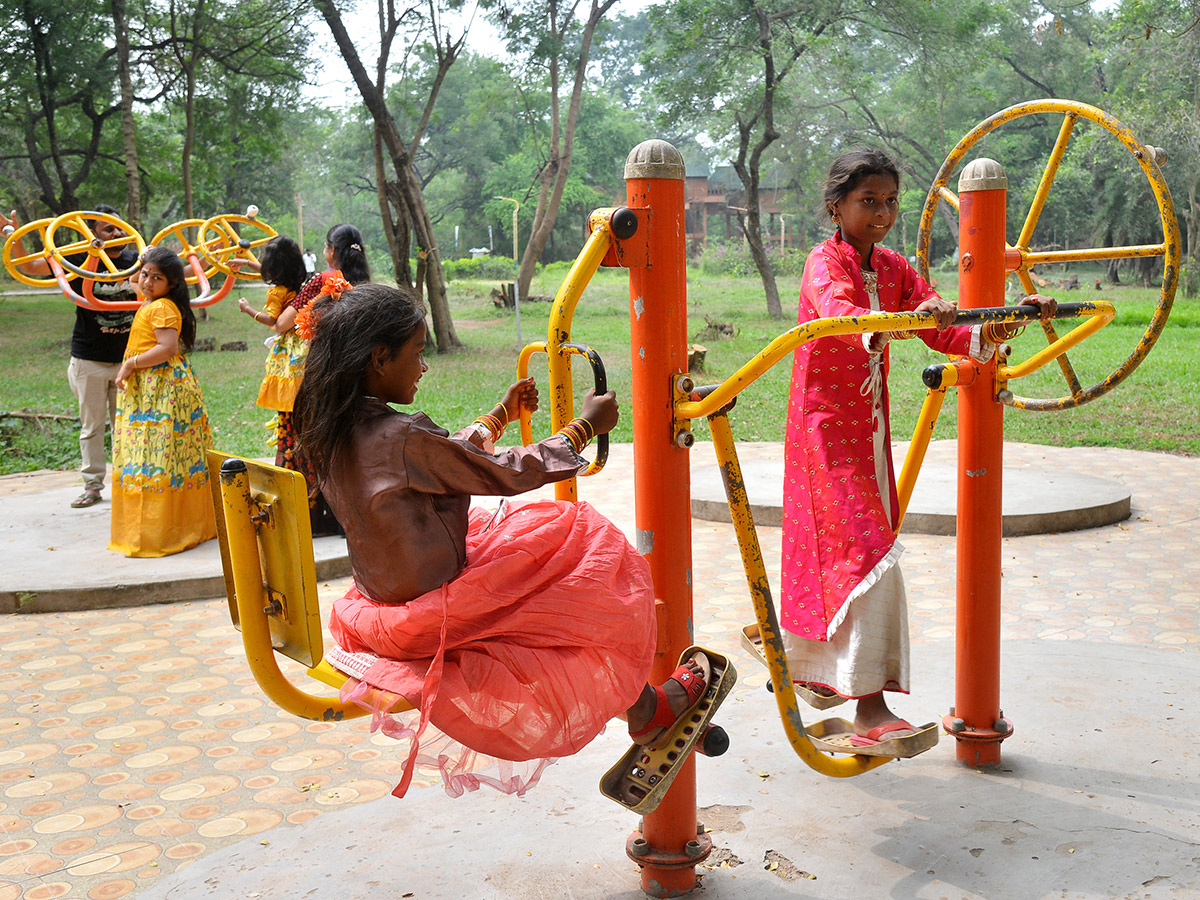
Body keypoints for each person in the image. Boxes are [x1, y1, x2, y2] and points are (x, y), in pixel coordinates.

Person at [292, 283, 709, 798]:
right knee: (587, 554)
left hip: (382, 609)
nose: (423, 368)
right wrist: (585, 426)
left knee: (552, 574)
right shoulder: (399, 437)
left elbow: (441, 461)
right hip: (436, 611)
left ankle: (645, 709)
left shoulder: (329, 425)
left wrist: (499, 416)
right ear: (379, 359)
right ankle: (648, 710)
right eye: (418, 353)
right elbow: (500, 474)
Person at [779, 148, 1056, 750]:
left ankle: (823, 674)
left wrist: (1013, 317)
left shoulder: (893, 266)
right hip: (825, 430)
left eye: (888, 202)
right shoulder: (824, 262)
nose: (881, 213)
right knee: (868, 553)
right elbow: (843, 317)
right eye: (867, 201)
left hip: (869, 429)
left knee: (854, 552)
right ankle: (869, 711)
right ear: (836, 206)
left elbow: (949, 330)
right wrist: (909, 317)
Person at [1, 205, 138, 509]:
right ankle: (92, 486)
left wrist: (211, 256)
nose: (116, 234)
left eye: (118, 228)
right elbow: (31, 266)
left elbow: (177, 273)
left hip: (127, 361)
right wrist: (12, 236)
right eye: (107, 230)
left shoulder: (135, 259)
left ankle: (126, 482)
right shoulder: (78, 259)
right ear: (91, 235)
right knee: (92, 427)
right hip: (89, 358)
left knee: (125, 427)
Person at [108, 246, 217, 557]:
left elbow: (166, 349)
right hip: (151, 389)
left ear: (172, 284)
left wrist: (130, 364)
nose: (146, 282)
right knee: (158, 456)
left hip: (160, 392)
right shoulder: (153, 300)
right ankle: (169, 527)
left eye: (157, 278)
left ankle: (159, 533)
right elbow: (131, 278)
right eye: (145, 275)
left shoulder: (161, 308)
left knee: (156, 458)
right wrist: (145, 257)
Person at [274, 224, 372, 536]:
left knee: (303, 442)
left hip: (314, 375)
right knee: (344, 442)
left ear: (330, 251)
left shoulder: (323, 280)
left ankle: (312, 517)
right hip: (350, 376)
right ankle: (348, 516)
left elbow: (284, 322)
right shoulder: (365, 287)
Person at [235, 236, 309, 427]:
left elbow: (271, 320)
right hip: (303, 340)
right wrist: (245, 263)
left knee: (286, 385)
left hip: (288, 345)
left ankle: (286, 423)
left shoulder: (277, 293)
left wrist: (248, 309)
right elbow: (272, 271)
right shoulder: (296, 283)